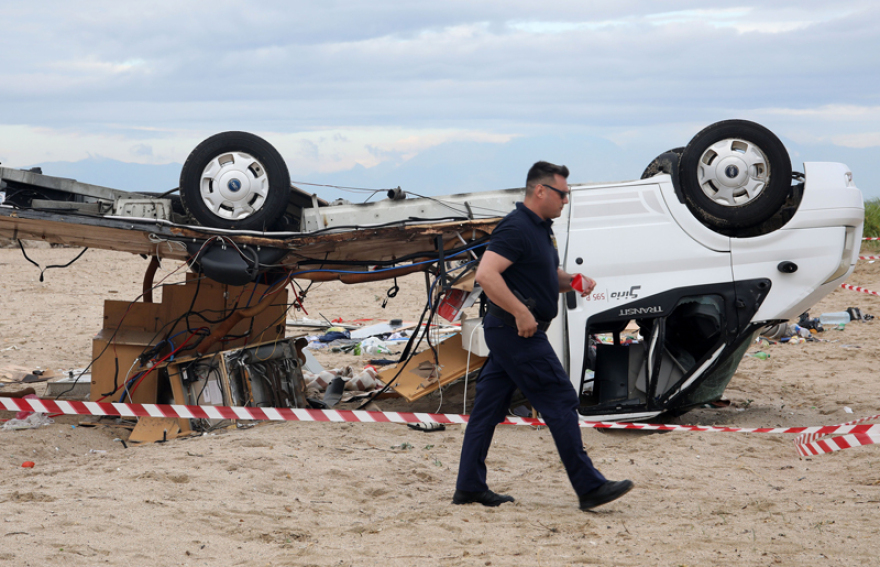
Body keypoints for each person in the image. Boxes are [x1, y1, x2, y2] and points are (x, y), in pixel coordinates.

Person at [452, 161, 633, 511]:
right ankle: (590, 486)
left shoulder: (541, 230)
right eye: (563, 194)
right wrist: (521, 311)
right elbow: (487, 275)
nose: (566, 200)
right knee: (561, 399)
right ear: (540, 191)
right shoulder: (516, 227)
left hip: (512, 331)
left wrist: (574, 281)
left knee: (487, 410)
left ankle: (469, 487)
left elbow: (547, 274)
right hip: (516, 331)